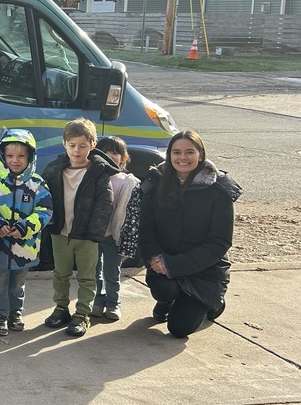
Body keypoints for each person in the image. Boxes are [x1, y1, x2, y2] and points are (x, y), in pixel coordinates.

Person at [141, 130, 241, 338]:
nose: (182, 158)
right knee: (163, 290)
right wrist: (157, 259)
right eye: (176, 152)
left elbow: (219, 243)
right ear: (169, 155)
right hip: (165, 260)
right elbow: (147, 229)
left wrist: (173, 266)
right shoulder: (156, 182)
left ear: (201, 155)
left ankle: (215, 303)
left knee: (178, 329)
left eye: (189, 152)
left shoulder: (218, 189)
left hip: (205, 270)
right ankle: (169, 299)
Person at [41, 118, 118, 338]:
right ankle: (61, 308)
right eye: (72, 145)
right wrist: (49, 221)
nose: (77, 150)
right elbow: (43, 195)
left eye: (83, 146)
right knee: (60, 274)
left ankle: (82, 313)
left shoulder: (99, 172)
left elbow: (105, 204)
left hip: (87, 236)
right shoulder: (55, 168)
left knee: (87, 276)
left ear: (92, 145)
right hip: (60, 233)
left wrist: (95, 234)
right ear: (64, 144)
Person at [0, 129, 53, 336]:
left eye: (21, 156)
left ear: (30, 157)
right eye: (10, 155)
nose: (15, 160)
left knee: (18, 284)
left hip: (25, 248)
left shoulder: (37, 184)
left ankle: (16, 313)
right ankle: (0, 315)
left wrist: (25, 227)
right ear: (2, 156)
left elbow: (45, 210)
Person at [91, 136, 140, 322]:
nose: (110, 156)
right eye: (105, 152)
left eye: (115, 152)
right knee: (94, 271)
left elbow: (131, 212)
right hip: (94, 235)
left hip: (114, 235)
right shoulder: (93, 177)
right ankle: (97, 300)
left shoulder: (127, 182)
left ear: (124, 158)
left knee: (112, 272)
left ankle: (113, 303)